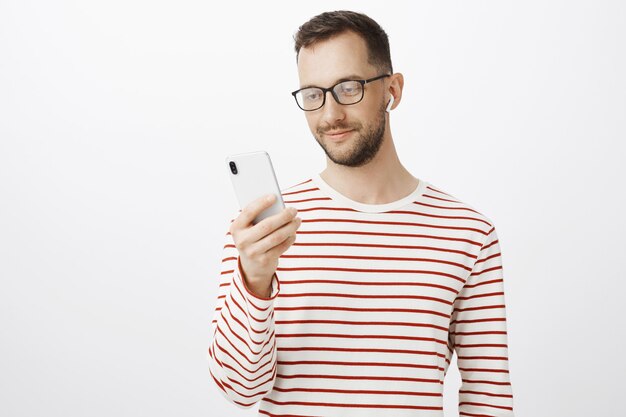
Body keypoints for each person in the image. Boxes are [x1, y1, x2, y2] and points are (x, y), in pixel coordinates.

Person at [208, 10, 515, 417]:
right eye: (313, 94)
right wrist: (255, 281)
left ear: (393, 89)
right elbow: (240, 391)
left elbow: (488, 400)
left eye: (348, 87)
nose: (329, 114)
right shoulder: (261, 230)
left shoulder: (468, 233)